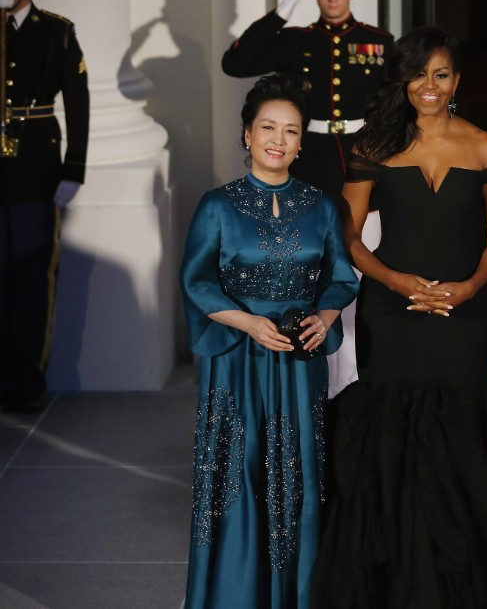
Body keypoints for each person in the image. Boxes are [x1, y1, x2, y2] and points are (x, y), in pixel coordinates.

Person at [311, 26, 487, 608]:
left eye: (441, 74)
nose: (429, 85)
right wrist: (396, 281)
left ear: (457, 81)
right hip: (390, 315)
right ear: (402, 80)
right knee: (392, 434)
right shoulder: (374, 146)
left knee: (460, 433)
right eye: (418, 74)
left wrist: (469, 287)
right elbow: (346, 234)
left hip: (463, 316)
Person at [179, 73, 358, 608]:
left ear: (303, 142)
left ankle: (295, 595)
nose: (278, 140)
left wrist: (325, 317)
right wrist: (247, 322)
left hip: (299, 359)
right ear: (247, 135)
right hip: (237, 358)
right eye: (268, 128)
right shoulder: (217, 204)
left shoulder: (322, 206)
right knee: (238, 468)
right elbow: (197, 280)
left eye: (291, 131)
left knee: (296, 472)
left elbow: (342, 276)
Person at [0, 0, 88, 413]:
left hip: (35, 169)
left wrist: (74, 167)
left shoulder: (56, 31)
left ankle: (26, 380)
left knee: (33, 277)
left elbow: (78, 102)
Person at [223, 0, 392, 200]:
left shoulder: (379, 41)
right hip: (311, 156)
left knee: (362, 227)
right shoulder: (294, 40)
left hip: (362, 151)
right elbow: (234, 64)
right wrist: (279, 15)